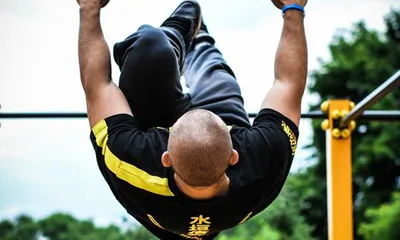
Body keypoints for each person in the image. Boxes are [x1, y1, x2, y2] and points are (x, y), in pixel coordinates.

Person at [77, 0, 308, 239]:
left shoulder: (131, 160)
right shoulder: (261, 161)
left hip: (158, 206)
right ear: (234, 156)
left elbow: (98, 84)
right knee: (215, 75)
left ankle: (178, 32)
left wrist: (89, 7)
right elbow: (288, 83)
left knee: (150, 48)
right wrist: (294, 8)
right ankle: (199, 40)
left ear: (165, 158)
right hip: (201, 199)